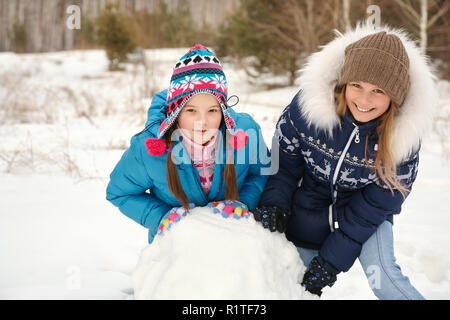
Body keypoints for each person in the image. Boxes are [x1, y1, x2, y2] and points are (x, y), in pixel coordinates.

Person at [254, 25, 437, 299]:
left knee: (383, 278)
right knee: (290, 283)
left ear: (395, 98)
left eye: (378, 91)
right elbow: (283, 166)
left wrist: (330, 262)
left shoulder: (401, 144)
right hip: (308, 205)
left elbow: (373, 209)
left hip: (364, 215)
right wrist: (274, 205)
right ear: (343, 82)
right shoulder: (308, 111)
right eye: (357, 85)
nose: (364, 99)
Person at [106, 44, 269, 243]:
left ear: (223, 112)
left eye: (212, 111)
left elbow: (262, 173)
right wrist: (159, 217)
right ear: (176, 113)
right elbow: (119, 192)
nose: (202, 121)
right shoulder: (149, 148)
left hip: (232, 243)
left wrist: (243, 201)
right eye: (191, 111)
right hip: (177, 249)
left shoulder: (246, 133)